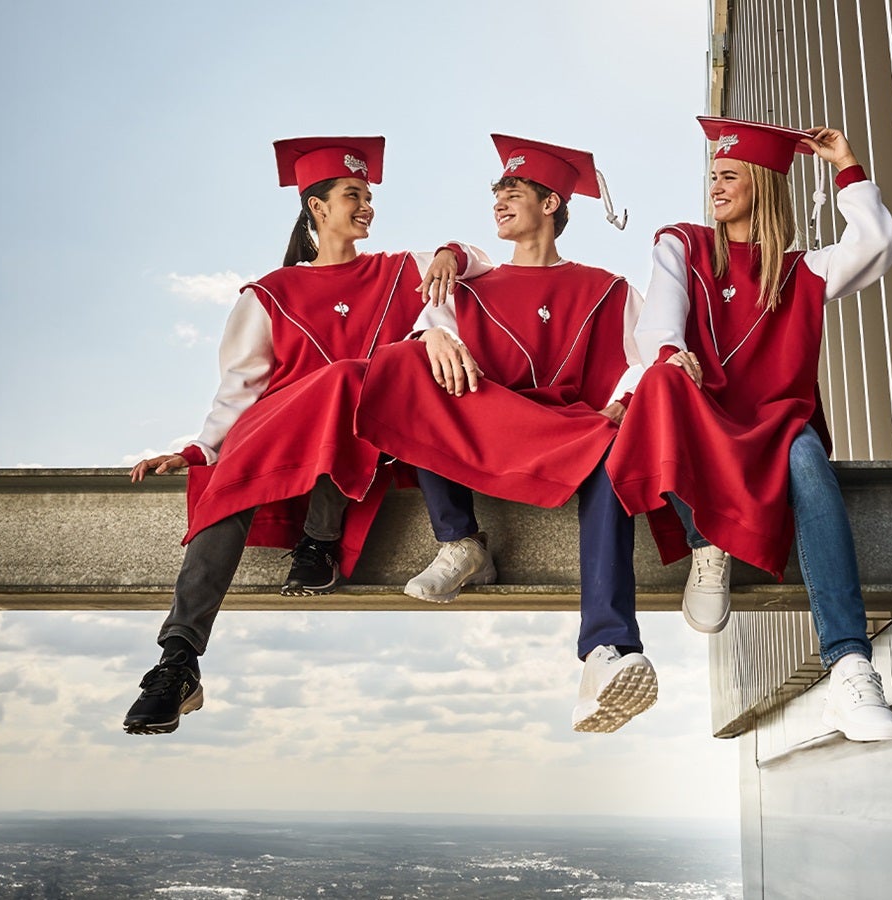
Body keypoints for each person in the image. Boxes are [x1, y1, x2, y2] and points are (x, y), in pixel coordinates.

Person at [121, 136, 486, 735]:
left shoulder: (400, 271)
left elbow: (484, 261)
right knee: (223, 474)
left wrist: (448, 253)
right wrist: (197, 450)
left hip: (365, 441)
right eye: (353, 196)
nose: (367, 207)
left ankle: (320, 541)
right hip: (282, 430)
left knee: (352, 377)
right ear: (317, 208)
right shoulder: (269, 294)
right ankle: (177, 661)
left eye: (369, 196)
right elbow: (240, 389)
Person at [608, 116, 892, 741]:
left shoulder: (803, 271)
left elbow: (875, 242)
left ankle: (850, 668)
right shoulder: (681, 245)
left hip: (776, 425)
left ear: (764, 184)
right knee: (661, 380)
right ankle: (705, 546)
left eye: (729, 175)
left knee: (809, 464)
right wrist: (671, 351)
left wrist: (845, 165)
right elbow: (660, 323)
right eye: (712, 175)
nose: (715, 186)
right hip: (702, 415)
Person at [353, 135, 656, 733]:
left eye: (514, 191)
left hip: (568, 431)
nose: (500, 202)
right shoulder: (464, 289)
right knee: (404, 363)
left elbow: (652, 356)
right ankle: (461, 540)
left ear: (552, 204)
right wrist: (432, 335)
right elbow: (425, 341)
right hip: (488, 422)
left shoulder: (608, 288)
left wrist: (623, 402)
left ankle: (606, 652)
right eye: (496, 193)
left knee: (614, 448)